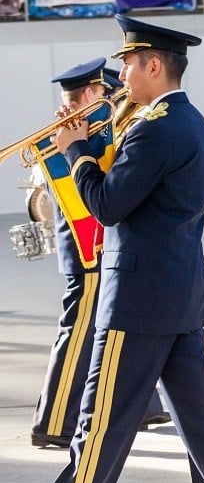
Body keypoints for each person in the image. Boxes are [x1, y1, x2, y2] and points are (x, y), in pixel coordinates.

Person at [0, 15, 204, 483]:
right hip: (178, 291)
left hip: (138, 297)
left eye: (127, 62)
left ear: (153, 65)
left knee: (97, 428)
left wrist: (74, 153)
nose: (120, 72)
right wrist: (90, 139)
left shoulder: (155, 128)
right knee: (201, 422)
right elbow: (133, 185)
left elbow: (109, 203)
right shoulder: (182, 121)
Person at [31, 58, 169, 450]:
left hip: (103, 246)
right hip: (85, 248)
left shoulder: (85, 133)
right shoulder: (74, 137)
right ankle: (53, 421)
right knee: (78, 332)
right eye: (105, 92)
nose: (113, 98)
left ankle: (142, 405)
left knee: (119, 327)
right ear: (92, 93)